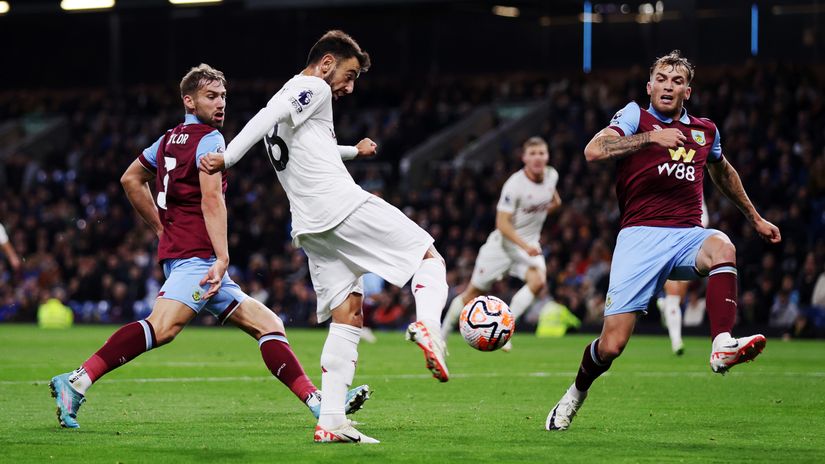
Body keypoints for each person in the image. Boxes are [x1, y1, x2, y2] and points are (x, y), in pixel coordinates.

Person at [49, 64, 369, 429]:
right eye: (211, 97)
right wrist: (221, 257)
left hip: (186, 254)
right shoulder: (211, 140)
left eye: (223, 97)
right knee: (163, 327)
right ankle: (76, 381)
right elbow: (211, 201)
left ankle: (318, 402)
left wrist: (160, 227)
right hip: (199, 258)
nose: (220, 104)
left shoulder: (168, 139)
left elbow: (131, 178)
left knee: (269, 325)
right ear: (189, 100)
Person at [199, 30, 449, 444]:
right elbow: (266, 113)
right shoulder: (311, 85)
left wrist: (354, 150)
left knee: (348, 313)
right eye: (348, 76)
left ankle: (331, 421)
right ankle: (428, 328)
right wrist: (227, 158)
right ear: (328, 63)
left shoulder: (300, 98)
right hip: (338, 205)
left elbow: (309, 147)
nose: (349, 87)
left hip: (309, 225)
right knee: (428, 257)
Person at [545, 50, 781, 431]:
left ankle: (722, 342)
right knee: (611, 346)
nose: (668, 85)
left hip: (686, 235)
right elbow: (594, 150)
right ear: (650, 86)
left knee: (723, 245)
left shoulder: (705, 130)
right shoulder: (636, 116)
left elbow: (723, 172)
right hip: (639, 239)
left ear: (687, 90)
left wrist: (754, 217)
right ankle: (575, 393)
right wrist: (651, 139)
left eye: (677, 81)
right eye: (662, 79)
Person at [441, 136, 561, 352]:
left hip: (529, 243)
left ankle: (506, 326)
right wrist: (525, 246)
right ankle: (442, 334)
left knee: (538, 281)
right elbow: (502, 224)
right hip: (502, 245)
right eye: (532, 154)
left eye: (541, 153)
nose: (537, 158)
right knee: (473, 293)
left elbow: (555, 202)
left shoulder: (552, 175)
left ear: (547, 156)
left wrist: (540, 213)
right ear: (524, 157)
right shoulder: (514, 185)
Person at [658, 196, 709, 355]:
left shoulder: (697, 194)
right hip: (667, 245)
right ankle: (676, 341)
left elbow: (704, 220)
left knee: (678, 298)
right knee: (673, 295)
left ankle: (664, 306)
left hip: (688, 247)